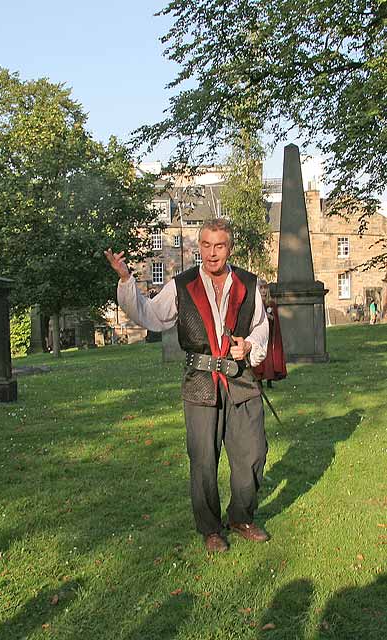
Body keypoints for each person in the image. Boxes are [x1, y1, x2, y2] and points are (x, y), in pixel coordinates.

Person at [105, 218, 269, 553]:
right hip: (200, 381)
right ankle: (210, 529)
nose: (212, 254)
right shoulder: (182, 285)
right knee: (204, 459)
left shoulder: (248, 284)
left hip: (240, 379)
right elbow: (150, 316)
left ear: (229, 248)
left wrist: (249, 345)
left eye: (219, 246)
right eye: (206, 246)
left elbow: (261, 327)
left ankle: (240, 516)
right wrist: (126, 279)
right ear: (199, 247)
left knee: (253, 453)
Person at [253, 280, 287, 389]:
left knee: (269, 357)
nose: (263, 291)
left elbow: (275, 320)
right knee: (259, 357)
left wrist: (270, 318)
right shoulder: (255, 304)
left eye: (265, 288)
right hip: (259, 334)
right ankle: (259, 379)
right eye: (261, 288)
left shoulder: (271, 303)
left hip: (270, 335)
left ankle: (269, 379)